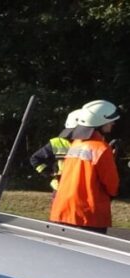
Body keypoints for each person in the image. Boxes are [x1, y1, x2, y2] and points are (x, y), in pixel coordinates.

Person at [50, 100, 121, 234]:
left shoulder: (75, 144)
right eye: (111, 120)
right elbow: (112, 185)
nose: (113, 123)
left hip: (63, 210)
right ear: (100, 122)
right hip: (87, 216)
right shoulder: (101, 149)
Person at [29, 110, 78, 193]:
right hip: (60, 189)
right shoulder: (57, 142)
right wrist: (49, 173)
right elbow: (35, 159)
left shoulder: (90, 144)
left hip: (81, 189)